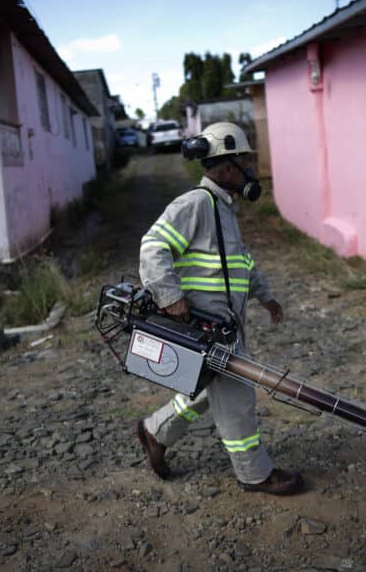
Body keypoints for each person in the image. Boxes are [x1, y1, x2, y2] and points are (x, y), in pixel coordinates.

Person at [134, 121, 303, 496]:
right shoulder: (196, 204)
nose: (249, 167)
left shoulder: (224, 209)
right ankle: (255, 473)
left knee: (208, 390)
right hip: (205, 326)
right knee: (238, 398)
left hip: (224, 326)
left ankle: (155, 432)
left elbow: (240, 262)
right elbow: (153, 245)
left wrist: (265, 295)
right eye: (244, 159)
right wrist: (170, 296)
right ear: (227, 167)